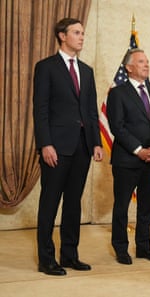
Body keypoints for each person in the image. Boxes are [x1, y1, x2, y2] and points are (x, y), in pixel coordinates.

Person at [33, 18, 103, 276]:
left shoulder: (87, 71)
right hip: (56, 147)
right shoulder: (46, 67)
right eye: (76, 32)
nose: (82, 37)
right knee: (50, 203)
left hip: (82, 147)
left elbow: (91, 111)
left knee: (73, 204)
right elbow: (40, 110)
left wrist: (95, 142)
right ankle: (46, 260)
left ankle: (70, 255)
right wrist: (45, 144)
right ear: (62, 36)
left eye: (83, 33)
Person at [106, 48, 150, 265]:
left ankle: (144, 247)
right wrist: (139, 150)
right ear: (129, 67)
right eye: (141, 61)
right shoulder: (117, 93)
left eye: (147, 61)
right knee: (122, 206)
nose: (146, 65)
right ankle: (121, 249)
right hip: (127, 160)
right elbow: (117, 127)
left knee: (147, 206)